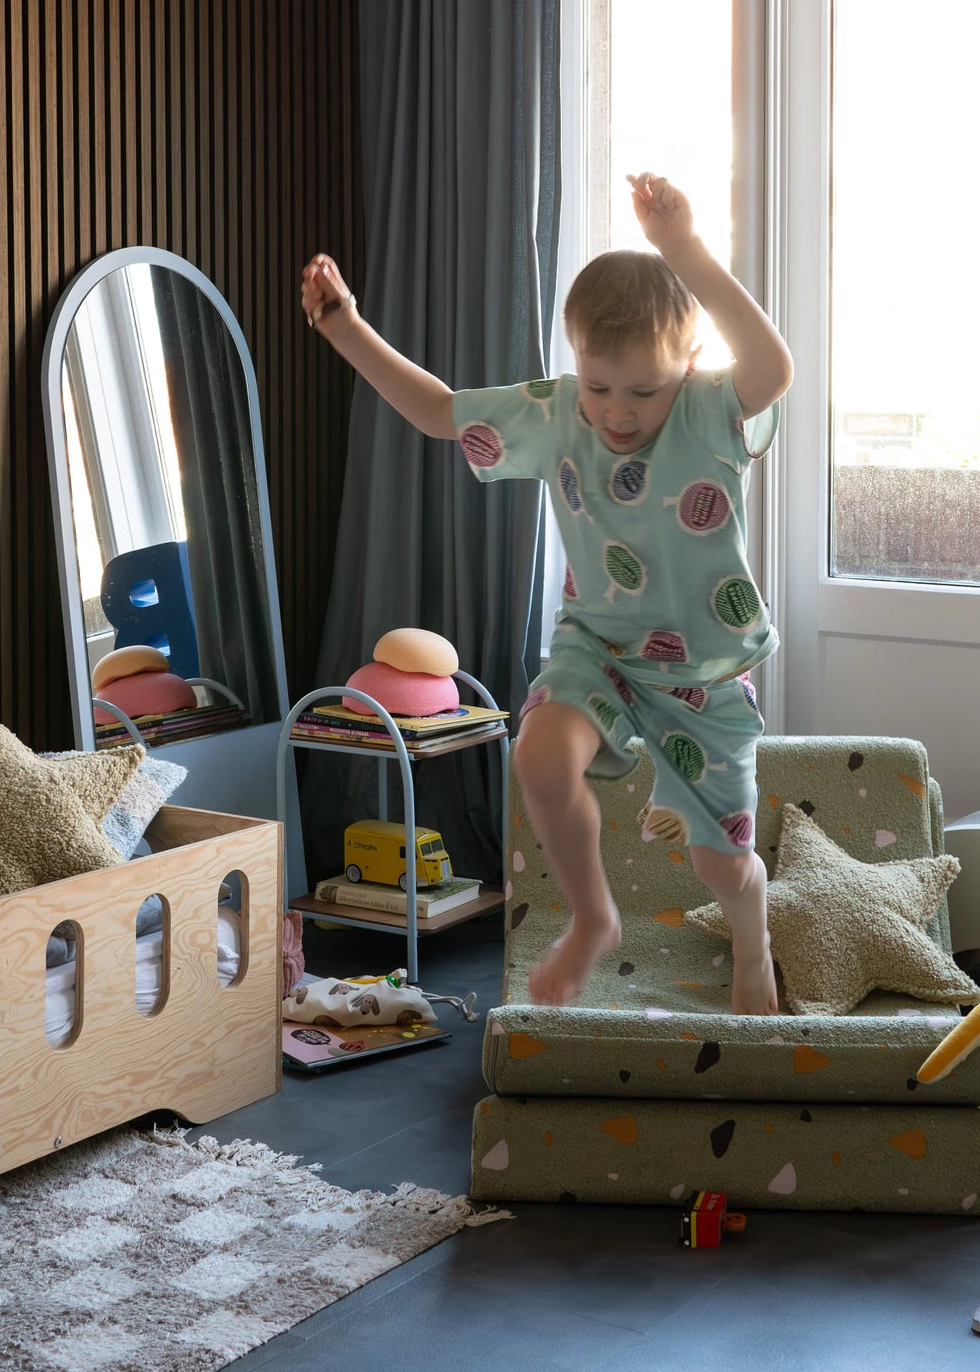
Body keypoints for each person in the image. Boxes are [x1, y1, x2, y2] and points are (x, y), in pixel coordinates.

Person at [300, 175, 794, 1009]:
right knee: (537, 754)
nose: (617, 411)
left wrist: (683, 248)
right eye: (600, 385)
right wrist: (343, 324)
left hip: (705, 669)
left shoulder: (714, 409)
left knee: (721, 862)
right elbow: (440, 409)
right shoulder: (561, 412)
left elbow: (774, 366)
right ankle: (592, 917)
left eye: (645, 390)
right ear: (576, 366)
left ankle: (754, 940)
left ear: (690, 364)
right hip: (598, 647)